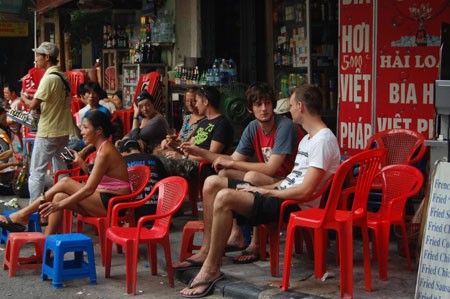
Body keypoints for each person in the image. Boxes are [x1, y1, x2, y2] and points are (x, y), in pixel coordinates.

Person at [179, 85, 341, 298]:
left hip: (292, 204)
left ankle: (210, 269)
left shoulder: (322, 140)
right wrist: (266, 188)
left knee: (225, 197)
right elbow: (291, 179)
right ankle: (211, 258)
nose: (288, 110)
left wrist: (270, 193)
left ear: (300, 107)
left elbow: (306, 191)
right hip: (283, 193)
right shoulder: (309, 138)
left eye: (291, 105)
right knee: (217, 184)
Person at [175, 82, 301, 266]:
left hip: (289, 184)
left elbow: (272, 168)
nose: (264, 109)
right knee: (218, 178)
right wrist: (202, 153)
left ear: (273, 105)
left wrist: (232, 162)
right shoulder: (252, 128)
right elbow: (231, 159)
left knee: (251, 177)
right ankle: (209, 247)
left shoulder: (285, 126)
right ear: (250, 109)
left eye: (267, 103)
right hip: (270, 181)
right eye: (258, 105)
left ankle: (256, 243)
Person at [0, 110, 131, 235]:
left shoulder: (105, 152)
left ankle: (23, 214)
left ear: (98, 131)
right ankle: (46, 246)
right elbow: (95, 179)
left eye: (85, 127)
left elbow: (89, 189)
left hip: (114, 205)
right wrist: (80, 161)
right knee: (59, 196)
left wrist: (59, 205)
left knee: (65, 182)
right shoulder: (101, 148)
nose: (82, 132)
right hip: (103, 200)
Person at [20, 42, 74, 203]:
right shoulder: (63, 77)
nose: (36, 59)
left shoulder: (48, 79)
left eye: (38, 55)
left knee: (36, 172)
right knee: (61, 171)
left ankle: (34, 209)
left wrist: (23, 96)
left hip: (48, 131)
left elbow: (33, 105)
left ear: (47, 57)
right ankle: (62, 204)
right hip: (63, 131)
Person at [159, 86, 234, 179]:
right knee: (155, 160)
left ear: (205, 102)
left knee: (160, 165)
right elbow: (189, 146)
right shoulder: (203, 122)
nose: (196, 105)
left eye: (197, 101)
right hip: (189, 161)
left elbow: (211, 156)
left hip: (203, 167)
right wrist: (171, 144)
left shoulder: (222, 124)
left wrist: (182, 157)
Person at [118, 138, 167, 219]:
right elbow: (165, 184)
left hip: (133, 214)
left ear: (123, 153)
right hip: (159, 213)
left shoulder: (121, 162)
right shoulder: (155, 159)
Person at [154, 87, 204, 155]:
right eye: (187, 100)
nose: (190, 104)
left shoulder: (204, 121)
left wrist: (173, 144)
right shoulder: (187, 117)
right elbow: (179, 139)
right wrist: (169, 140)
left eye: (193, 101)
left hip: (187, 153)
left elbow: (192, 146)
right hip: (178, 148)